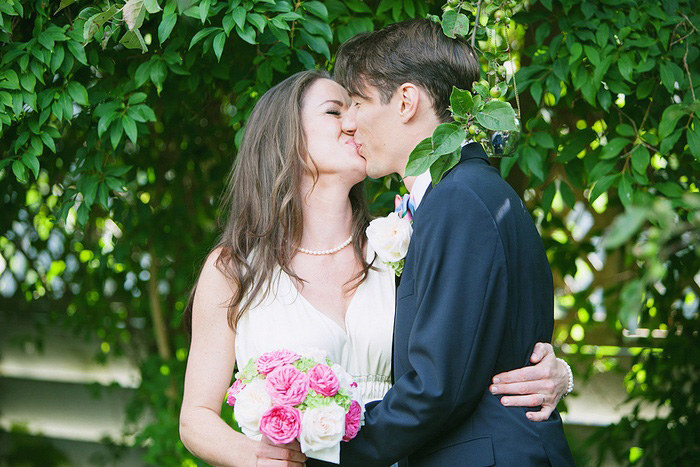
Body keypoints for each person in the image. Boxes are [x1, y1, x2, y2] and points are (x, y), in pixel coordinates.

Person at [179, 68, 572, 467]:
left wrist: (554, 372)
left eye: (356, 108)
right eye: (335, 111)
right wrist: (262, 460)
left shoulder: (400, 246)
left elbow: (460, 351)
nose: (352, 122)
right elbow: (196, 418)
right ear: (286, 138)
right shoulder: (234, 268)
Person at [323, 19, 575, 466]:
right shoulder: (475, 193)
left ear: (405, 101)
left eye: (358, 102)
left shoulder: (459, 199)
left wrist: (323, 448)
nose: (350, 121)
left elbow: (438, 387)